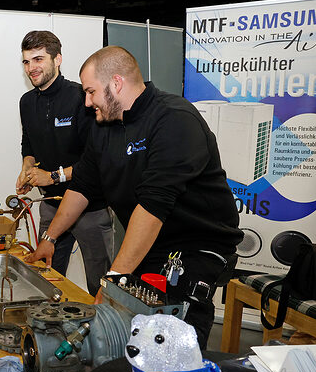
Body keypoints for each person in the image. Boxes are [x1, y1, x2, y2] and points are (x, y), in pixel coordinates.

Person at [27, 46, 242, 349]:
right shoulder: (104, 128)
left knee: (171, 348)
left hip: (196, 251)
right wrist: (50, 237)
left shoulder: (174, 118)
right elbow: (82, 188)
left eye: (91, 92)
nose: (87, 103)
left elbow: (153, 206)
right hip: (152, 246)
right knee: (128, 339)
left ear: (116, 84)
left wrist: (113, 281)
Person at [16, 30, 114, 293]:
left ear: (57, 59)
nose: (31, 68)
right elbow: (29, 144)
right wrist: (27, 167)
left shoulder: (81, 98)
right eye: (26, 61)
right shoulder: (26, 102)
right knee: (47, 283)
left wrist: (53, 176)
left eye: (38, 59)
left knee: (101, 287)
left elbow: (96, 160)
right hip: (50, 207)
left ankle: (101, 333)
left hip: (89, 208)